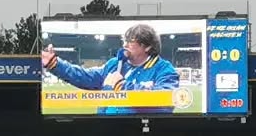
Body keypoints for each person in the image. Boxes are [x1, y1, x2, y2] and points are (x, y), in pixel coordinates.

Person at [40, 23, 182, 114]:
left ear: (148, 47)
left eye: (130, 41)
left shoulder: (164, 70)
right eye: (124, 41)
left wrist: (122, 87)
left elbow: (165, 103)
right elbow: (85, 77)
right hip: (105, 129)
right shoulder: (115, 63)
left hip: (138, 134)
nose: (125, 45)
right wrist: (55, 64)